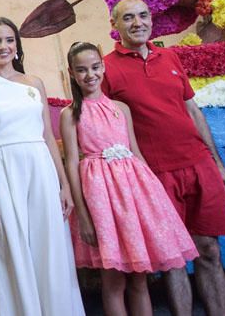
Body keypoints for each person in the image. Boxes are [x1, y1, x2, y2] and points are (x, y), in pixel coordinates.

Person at [104, 0, 225, 316]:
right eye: (129, 18)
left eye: (143, 15)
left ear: (151, 19)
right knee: (174, 259)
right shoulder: (106, 68)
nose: (138, 23)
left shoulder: (170, 58)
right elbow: (105, 127)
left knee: (209, 250)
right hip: (155, 175)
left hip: (198, 164)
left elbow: (193, 111)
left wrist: (218, 165)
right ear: (115, 25)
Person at [0, 17, 84, 316]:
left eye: (9, 40)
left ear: (17, 46)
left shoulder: (33, 82)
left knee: (50, 247)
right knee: (11, 248)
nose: (3, 46)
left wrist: (63, 185)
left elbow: (48, 136)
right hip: (2, 169)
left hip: (41, 169)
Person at [61, 41, 198, 316]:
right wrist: (84, 215)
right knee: (114, 279)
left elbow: (135, 152)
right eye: (82, 70)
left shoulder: (121, 108)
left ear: (103, 67)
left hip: (135, 194)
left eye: (96, 67)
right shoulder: (70, 114)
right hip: (101, 199)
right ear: (72, 73)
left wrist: (154, 200)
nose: (90, 75)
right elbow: (72, 163)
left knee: (139, 277)